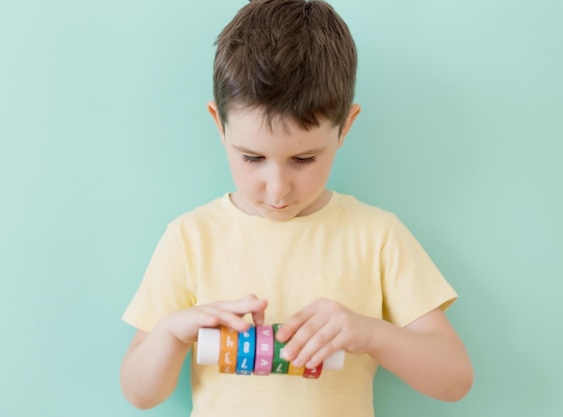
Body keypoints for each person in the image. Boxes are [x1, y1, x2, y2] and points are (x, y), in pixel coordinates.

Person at [120, 1, 474, 416]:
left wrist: (370, 334)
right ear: (219, 124)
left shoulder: (376, 236)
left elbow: (455, 379)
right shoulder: (190, 237)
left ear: (345, 128)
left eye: (304, 160)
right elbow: (139, 394)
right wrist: (172, 333)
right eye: (252, 158)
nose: (277, 189)